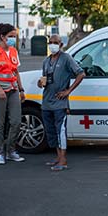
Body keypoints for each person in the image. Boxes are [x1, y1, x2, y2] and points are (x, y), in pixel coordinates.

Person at [38, 34, 85, 171]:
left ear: (61, 44)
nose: (52, 45)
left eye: (55, 42)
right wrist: (40, 83)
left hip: (60, 103)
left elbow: (81, 74)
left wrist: (68, 91)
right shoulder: (46, 61)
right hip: (46, 102)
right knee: (51, 132)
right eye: (50, 42)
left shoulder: (66, 58)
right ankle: (58, 157)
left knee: (60, 131)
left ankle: (63, 160)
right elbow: (44, 78)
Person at [0, 23, 25, 165]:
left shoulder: (13, 51)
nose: (13, 39)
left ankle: (11, 151)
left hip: (13, 90)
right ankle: (0, 153)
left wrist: (21, 89)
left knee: (16, 121)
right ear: (2, 36)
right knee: (0, 123)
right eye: (10, 36)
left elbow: (16, 72)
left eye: (15, 36)